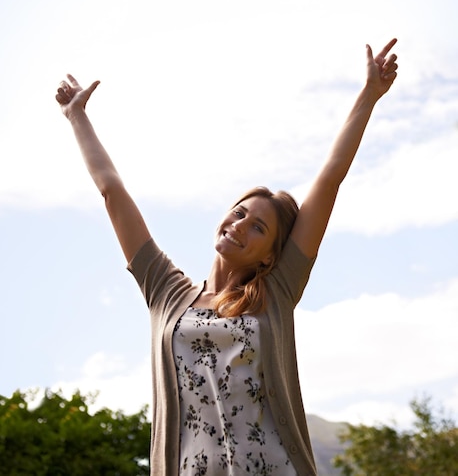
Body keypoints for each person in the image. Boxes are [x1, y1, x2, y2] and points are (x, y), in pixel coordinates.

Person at [56, 39, 399, 476]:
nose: (239, 225)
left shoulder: (276, 291)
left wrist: (368, 96)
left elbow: (330, 178)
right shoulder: (166, 291)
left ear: (271, 257)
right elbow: (111, 191)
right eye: (238, 213)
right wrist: (77, 117)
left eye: (258, 227)